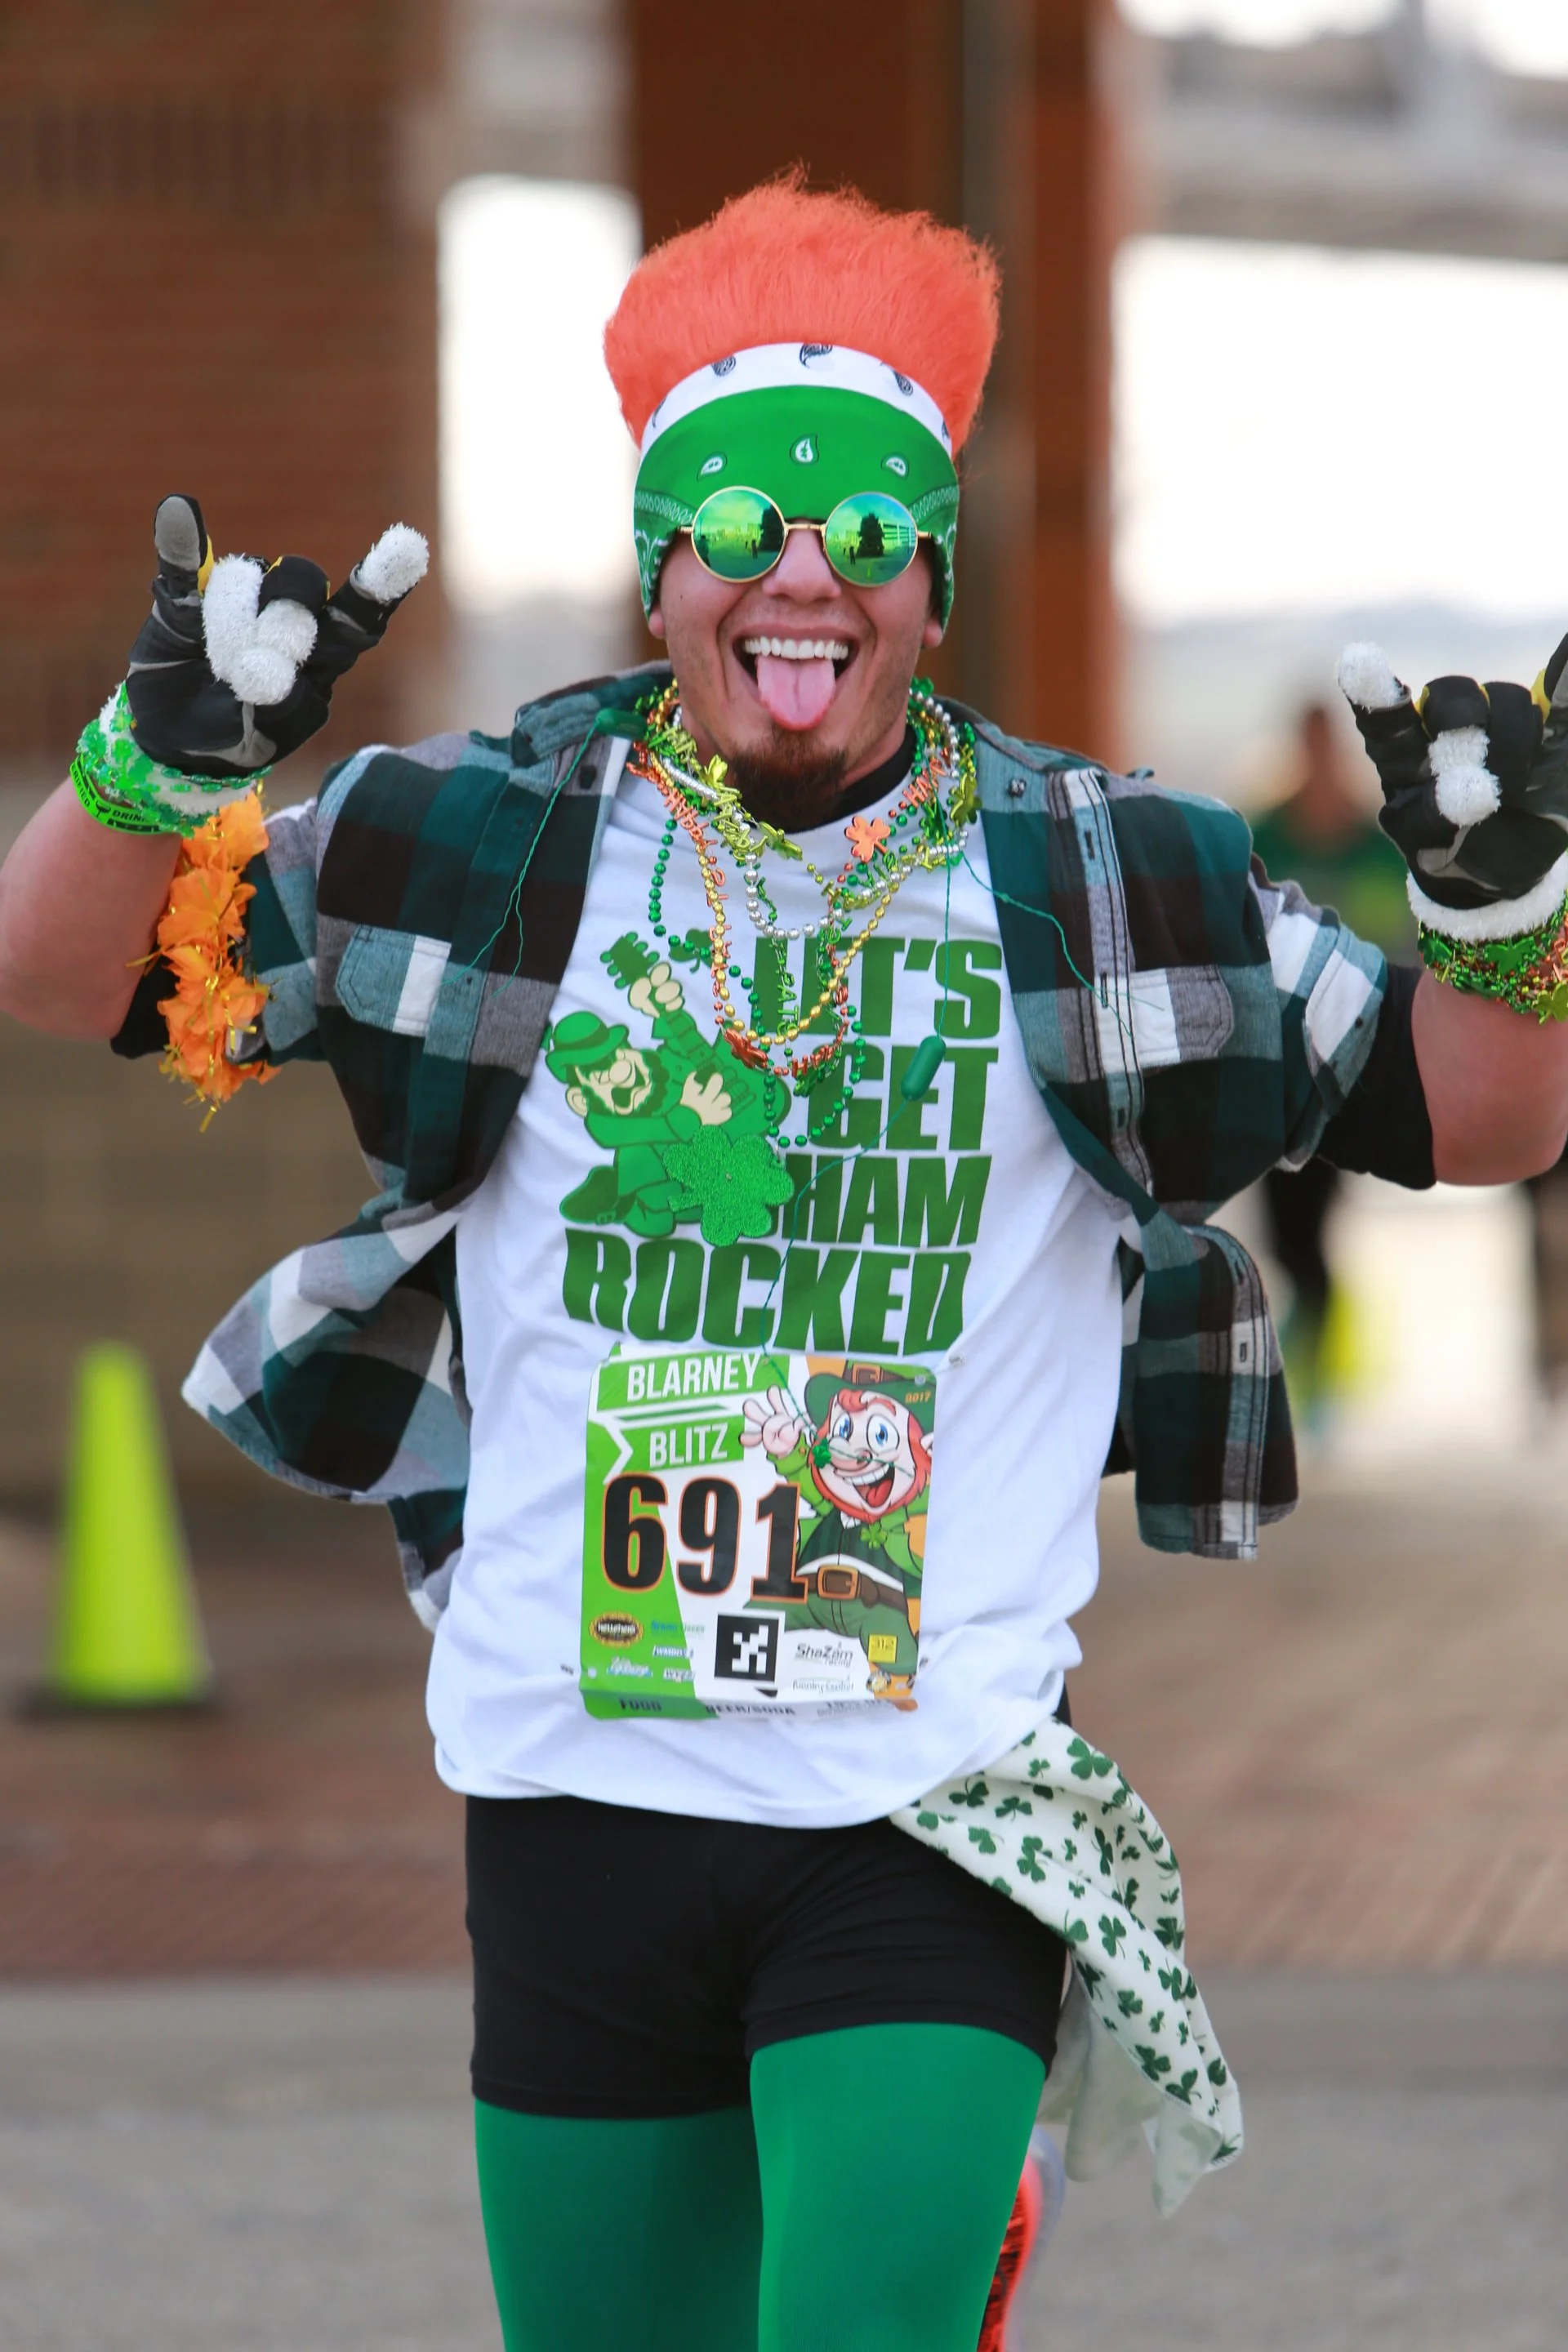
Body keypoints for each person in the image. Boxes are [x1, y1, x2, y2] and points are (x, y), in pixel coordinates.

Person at [3, 178, 1567, 2352]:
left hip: (926, 1805)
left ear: (933, 581)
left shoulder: (1115, 875)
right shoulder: (479, 843)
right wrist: (151, 758)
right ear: (662, 578)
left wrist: (1504, 918)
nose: (800, 567)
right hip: (573, 1787)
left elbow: (1482, 1119)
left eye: (863, 526)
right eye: (736, 521)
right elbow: (63, 968)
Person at [1249, 699, 1415, 1416]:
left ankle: (1318, 1360)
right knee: (1283, 1228)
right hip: (1273, 1065)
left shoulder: (1375, 842)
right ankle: (1316, 1337)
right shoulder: (1264, 833)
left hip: (1351, 1067)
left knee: (1314, 1220)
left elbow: (1404, 950)